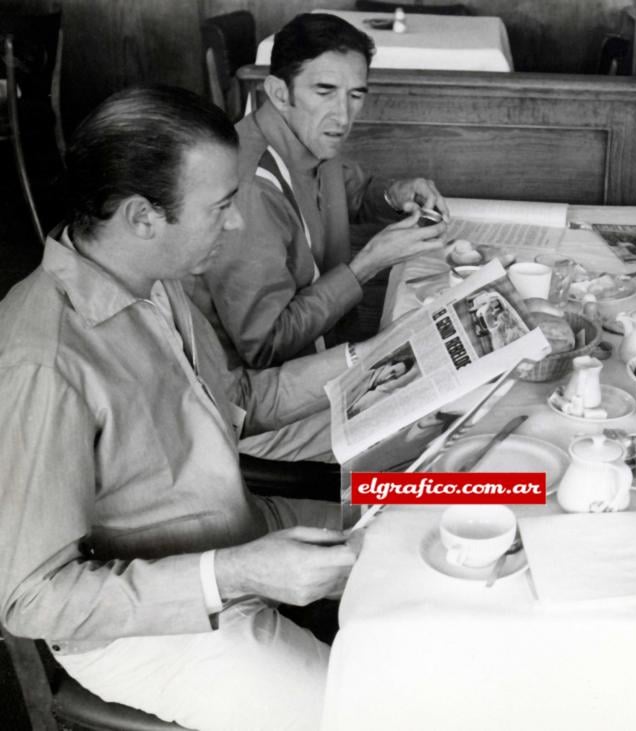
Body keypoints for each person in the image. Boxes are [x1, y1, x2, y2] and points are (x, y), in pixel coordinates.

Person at [0, 86, 395, 730]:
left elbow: (238, 399)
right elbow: (31, 599)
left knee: (439, 520)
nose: (235, 223)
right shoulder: (43, 364)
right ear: (141, 216)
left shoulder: (152, 281)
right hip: (149, 632)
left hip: (241, 532)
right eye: (221, 206)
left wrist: (375, 355)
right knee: (370, 718)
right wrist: (235, 573)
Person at [188, 12, 449, 370]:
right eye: (324, 91)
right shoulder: (250, 188)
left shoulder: (308, 134)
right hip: (267, 382)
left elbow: (345, 192)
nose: (343, 115)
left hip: (333, 336)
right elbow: (265, 346)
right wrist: (366, 265)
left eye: (355, 95)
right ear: (280, 93)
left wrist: (394, 194)